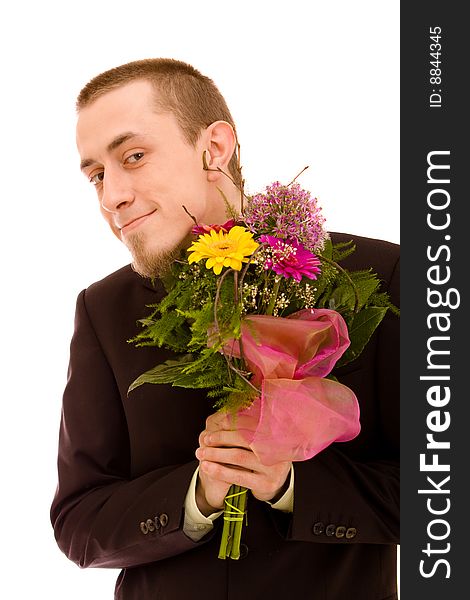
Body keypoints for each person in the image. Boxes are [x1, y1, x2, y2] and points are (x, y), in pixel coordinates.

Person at [51, 58, 399, 599]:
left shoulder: (376, 278)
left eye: (133, 157)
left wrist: (291, 487)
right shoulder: (102, 309)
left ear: (214, 148)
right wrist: (197, 494)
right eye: (96, 174)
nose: (110, 196)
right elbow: (78, 521)